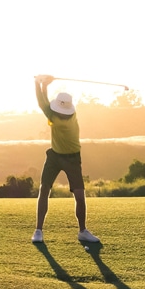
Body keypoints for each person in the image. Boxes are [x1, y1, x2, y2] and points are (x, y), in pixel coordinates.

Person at [32, 75, 100, 244]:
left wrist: (40, 83)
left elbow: (42, 102)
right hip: (55, 156)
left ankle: (82, 231)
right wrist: (44, 85)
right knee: (45, 189)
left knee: (78, 195)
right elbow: (44, 103)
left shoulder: (54, 117)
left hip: (71, 158)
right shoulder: (70, 113)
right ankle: (38, 230)